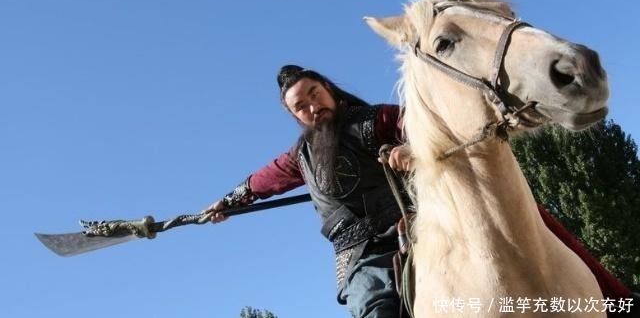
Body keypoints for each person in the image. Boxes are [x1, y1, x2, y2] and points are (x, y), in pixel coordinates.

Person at [204, 65, 634, 318]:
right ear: (295, 115)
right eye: (301, 105)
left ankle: (619, 304)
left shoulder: (380, 118)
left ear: (328, 90)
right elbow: (259, 183)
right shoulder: (298, 157)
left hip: (423, 225)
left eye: (314, 94)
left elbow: (429, 130)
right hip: (362, 254)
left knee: (528, 226)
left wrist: (413, 150)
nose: (312, 106)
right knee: (374, 304)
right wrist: (225, 204)